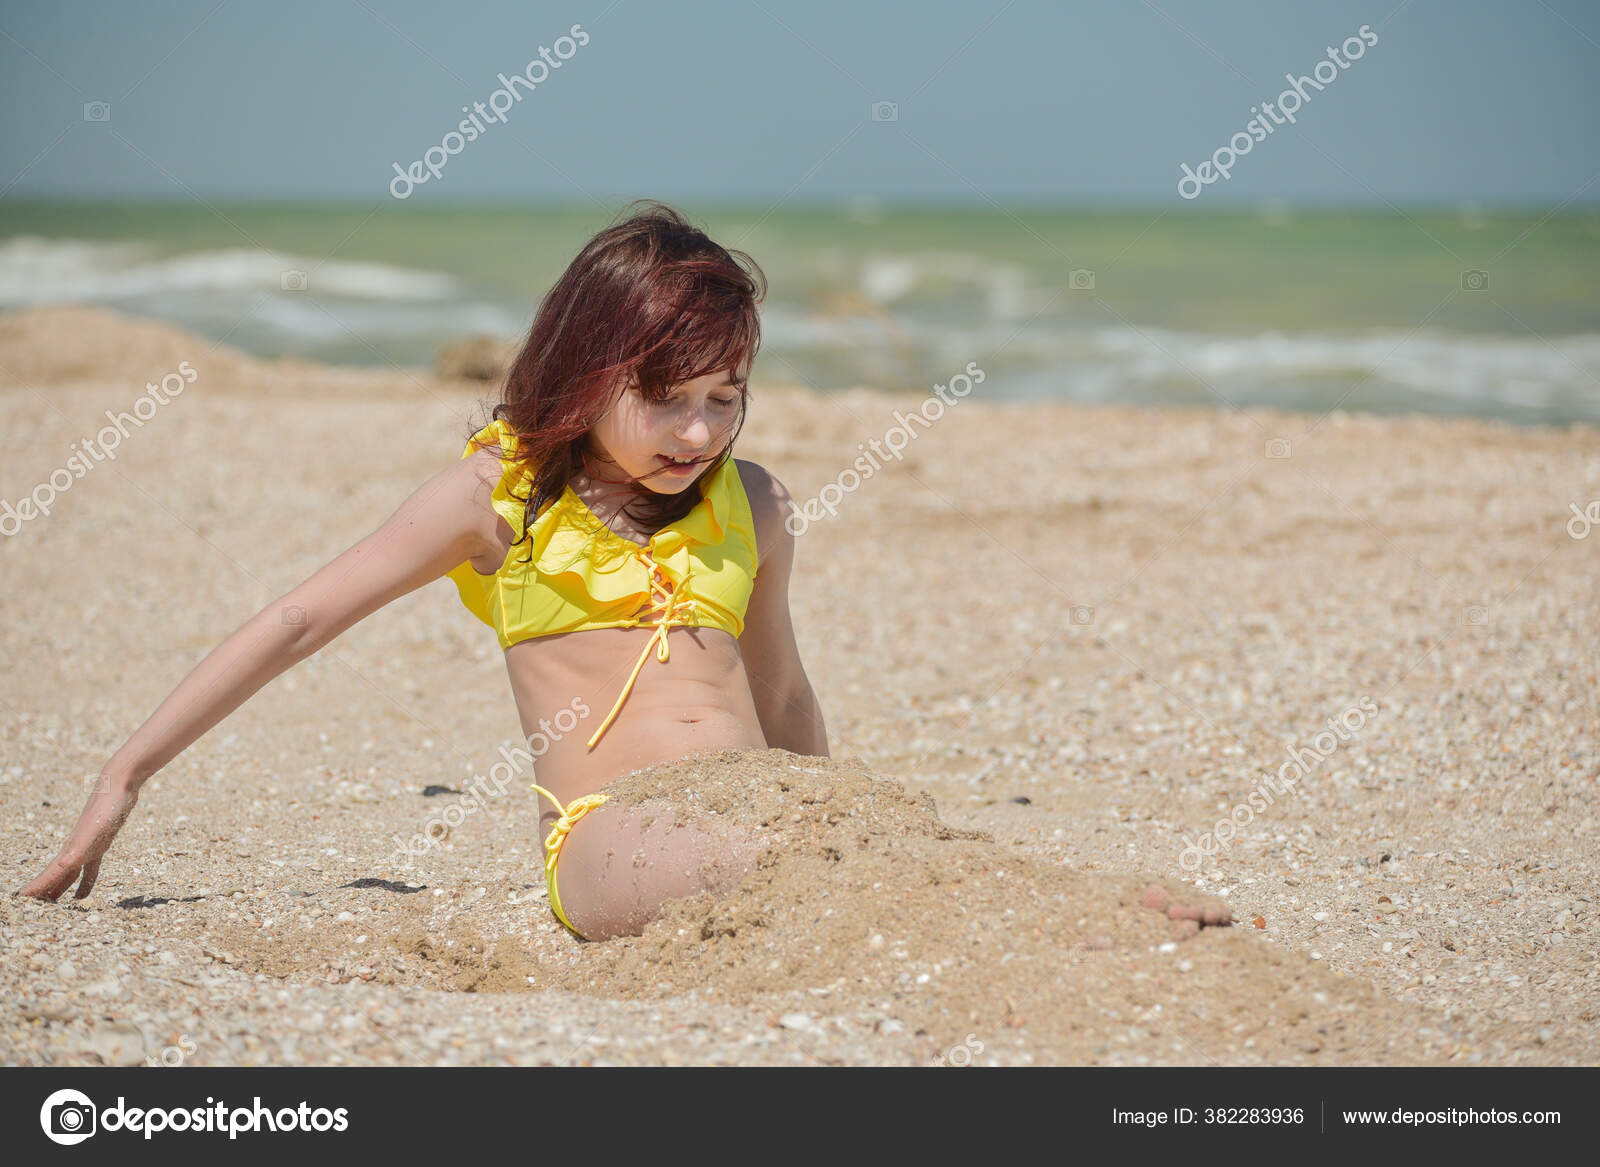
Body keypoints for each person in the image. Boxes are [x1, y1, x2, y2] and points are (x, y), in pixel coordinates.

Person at [18, 200, 830, 941]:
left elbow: (784, 692)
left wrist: (829, 807)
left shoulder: (752, 500)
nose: (697, 432)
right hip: (608, 830)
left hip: (753, 799)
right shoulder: (496, 501)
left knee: (851, 854)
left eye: (724, 398)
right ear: (586, 368)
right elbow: (300, 622)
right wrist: (125, 773)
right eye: (665, 396)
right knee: (758, 869)